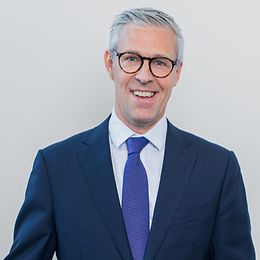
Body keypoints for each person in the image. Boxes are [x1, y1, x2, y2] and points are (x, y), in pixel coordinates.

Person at [5, 7, 255, 260]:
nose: (145, 76)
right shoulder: (56, 167)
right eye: (132, 58)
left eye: (160, 62)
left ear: (177, 73)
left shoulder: (217, 169)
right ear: (110, 63)